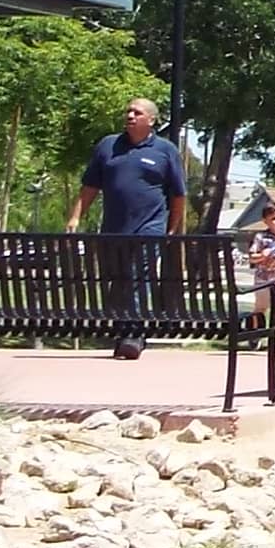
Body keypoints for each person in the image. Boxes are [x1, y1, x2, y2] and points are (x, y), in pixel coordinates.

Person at [66, 97, 188, 359]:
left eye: (137, 112)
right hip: (113, 229)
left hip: (149, 228)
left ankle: (134, 334)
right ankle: (124, 331)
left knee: (138, 277)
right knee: (117, 279)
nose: (130, 116)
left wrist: (171, 229)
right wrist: (75, 217)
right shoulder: (108, 146)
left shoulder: (165, 151)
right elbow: (89, 187)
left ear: (151, 120)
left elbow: (178, 195)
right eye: (128, 111)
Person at [242, 191, 275, 337]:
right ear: (266, 221)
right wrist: (262, 256)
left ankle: (273, 337)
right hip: (262, 279)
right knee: (261, 308)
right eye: (274, 218)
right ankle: (254, 333)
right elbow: (252, 258)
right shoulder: (260, 237)